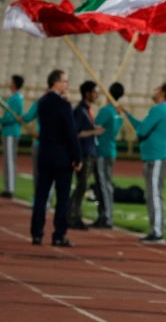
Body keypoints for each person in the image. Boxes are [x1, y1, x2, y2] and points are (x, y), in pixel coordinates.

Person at [30, 69, 82, 247]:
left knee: (41, 196)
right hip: (62, 158)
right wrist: (77, 157)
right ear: (56, 83)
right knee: (62, 199)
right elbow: (70, 133)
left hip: (45, 155)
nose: (67, 85)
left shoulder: (42, 102)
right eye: (65, 82)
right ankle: (59, 235)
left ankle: (36, 234)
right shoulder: (64, 105)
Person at [124, 82, 166, 242]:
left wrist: (130, 120)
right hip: (153, 157)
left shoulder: (158, 109)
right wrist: (127, 115)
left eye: (157, 89)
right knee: (151, 194)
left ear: (163, 93)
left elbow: (142, 131)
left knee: (154, 195)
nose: (154, 91)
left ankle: (157, 231)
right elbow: (142, 127)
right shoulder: (161, 110)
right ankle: (155, 229)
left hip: (156, 158)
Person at [68, 81, 104, 230]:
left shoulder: (87, 110)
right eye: (95, 92)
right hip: (84, 152)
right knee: (81, 186)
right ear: (87, 93)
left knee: (84, 186)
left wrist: (92, 129)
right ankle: (72, 215)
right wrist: (94, 132)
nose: (97, 95)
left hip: (91, 151)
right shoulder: (80, 110)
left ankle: (73, 214)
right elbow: (76, 133)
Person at [92, 82, 125, 228]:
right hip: (111, 150)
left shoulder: (107, 111)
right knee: (106, 184)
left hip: (103, 151)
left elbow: (94, 125)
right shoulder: (118, 112)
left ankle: (106, 217)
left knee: (103, 185)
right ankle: (105, 215)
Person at [0, 75, 26, 198]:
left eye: (11, 82)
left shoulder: (17, 98)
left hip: (11, 132)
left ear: (14, 84)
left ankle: (10, 189)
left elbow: (11, 117)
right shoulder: (15, 98)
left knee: (9, 161)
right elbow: (6, 106)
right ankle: (8, 187)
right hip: (9, 132)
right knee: (8, 161)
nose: (9, 83)